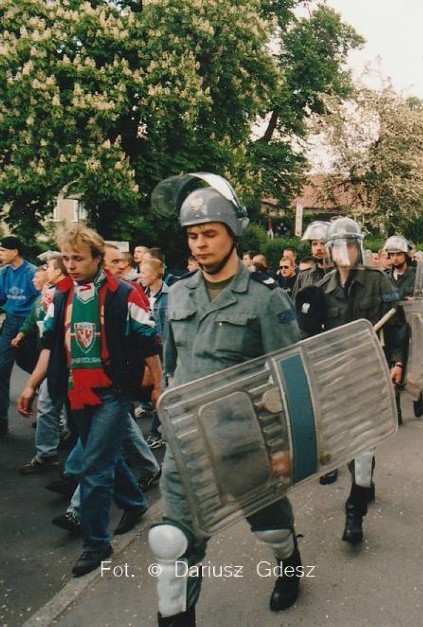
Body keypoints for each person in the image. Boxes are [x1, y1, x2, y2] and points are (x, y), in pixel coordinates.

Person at [153, 174, 303, 624]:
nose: (199, 244)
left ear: (232, 234)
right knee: (172, 546)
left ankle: (290, 563)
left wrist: (283, 449)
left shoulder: (265, 300)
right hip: (187, 444)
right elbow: (171, 365)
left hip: (246, 443)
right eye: (192, 236)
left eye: (209, 234)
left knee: (272, 528)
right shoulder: (178, 294)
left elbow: (288, 378)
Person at [17, 225, 162, 576]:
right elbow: (49, 344)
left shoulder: (124, 294)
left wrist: (158, 386)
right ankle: (133, 502)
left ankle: (96, 544)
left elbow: (148, 343)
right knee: (102, 456)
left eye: (78, 258)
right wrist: (32, 385)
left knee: (94, 467)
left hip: (113, 392)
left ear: (97, 259)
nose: (70, 264)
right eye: (65, 258)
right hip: (73, 391)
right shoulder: (59, 296)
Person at [296, 217, 405, 544]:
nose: (345, 251)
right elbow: (309, 335)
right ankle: (363, 481)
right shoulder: (322, 288)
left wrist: (398, 362)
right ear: (330, 250)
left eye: (351, 244)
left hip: (369, 372)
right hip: (336, 377)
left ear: (359, 247)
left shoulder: (378, 282)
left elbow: (397, 324)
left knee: (362, 440)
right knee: (347, 443)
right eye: (338, 246)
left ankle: (354, 510)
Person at [15, 255, 71, 473]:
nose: (45, 270)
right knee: (47, 406)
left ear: (58, 272)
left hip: (74, 365)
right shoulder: (50, 296)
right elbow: (45, 335)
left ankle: (143, 464)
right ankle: (47, 454)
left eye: (48, 267)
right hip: (55, 361)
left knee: (88, 419)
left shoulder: (64, 295)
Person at [0, 235, 41, 435]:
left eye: (2, 250)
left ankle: (48, 415)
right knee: (1, 367)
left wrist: (27, 329)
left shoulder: (32, 272)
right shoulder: (4, 273)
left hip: (30, 324)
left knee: (36, 367)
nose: (0, 254)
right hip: (10, 322)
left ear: (14, 252)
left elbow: (40, 300)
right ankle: (1, 420)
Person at [383, 235, 423, 420]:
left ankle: (417, 393)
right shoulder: (384, 278)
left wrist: (416, 300)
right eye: (391, 255)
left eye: (398, 254)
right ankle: (397, 409)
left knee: (414, 363)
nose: (395, 258)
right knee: (396, 365)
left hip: (413, 325)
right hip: (394, 327)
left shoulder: (416, 275)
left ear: (405, 255)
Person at [137, 258, 170, 449]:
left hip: (164, 352)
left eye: (144, 272)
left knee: (162, 391)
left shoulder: (169, 296)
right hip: (150, 351)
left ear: (155, 275)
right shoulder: (143, 294)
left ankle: (157, 432)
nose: (140, 275)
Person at [291, 221, 330, 295]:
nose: (318, 248)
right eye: (315, 244)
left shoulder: (340, 275)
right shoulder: (303, 276)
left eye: (323, 243)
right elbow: (296, 303)